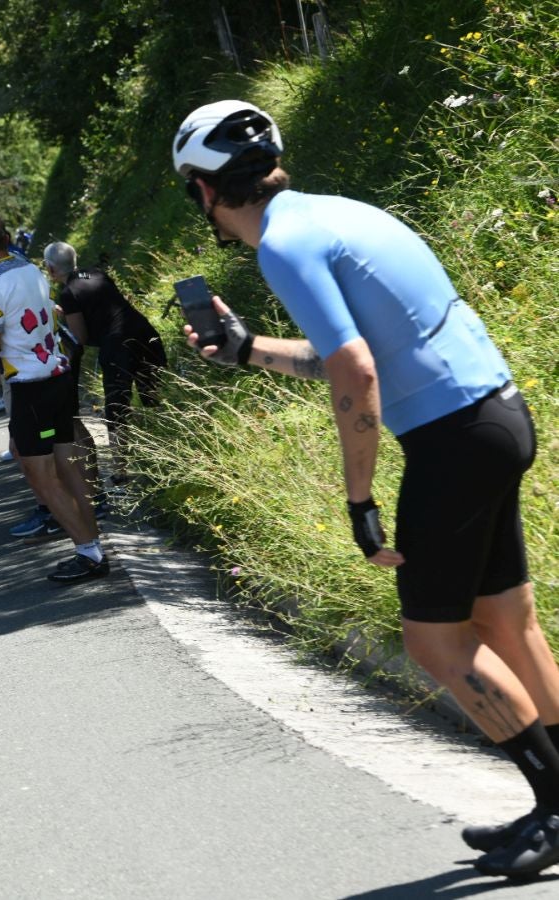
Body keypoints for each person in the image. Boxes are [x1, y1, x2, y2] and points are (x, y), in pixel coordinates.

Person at [172, 99, 552, 879]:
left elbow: (356, 372)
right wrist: (246, 351)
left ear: (204, 193)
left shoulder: (282, 245)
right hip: (495, 417)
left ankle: (555, 804)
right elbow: (353, 353)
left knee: (432, 641)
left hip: (452, 442)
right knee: (508, 626)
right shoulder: (332, 213)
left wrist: (360, 499)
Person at [0, 211, 106, 583]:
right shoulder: (31, 269)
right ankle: (94, 545)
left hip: (31, 390)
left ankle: (89, 553)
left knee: (40, 475)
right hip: (58, 376)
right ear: (6, 238)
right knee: (71, 469)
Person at [43, 241, 166, 486]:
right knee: (152, 398)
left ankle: (121, 470)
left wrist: (63, 313)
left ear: (51, 269)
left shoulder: (67, 294)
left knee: (117, 409)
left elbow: (81, 338)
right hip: (145, 334)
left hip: (118, 347)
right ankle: (167, 451)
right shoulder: (97, 273)